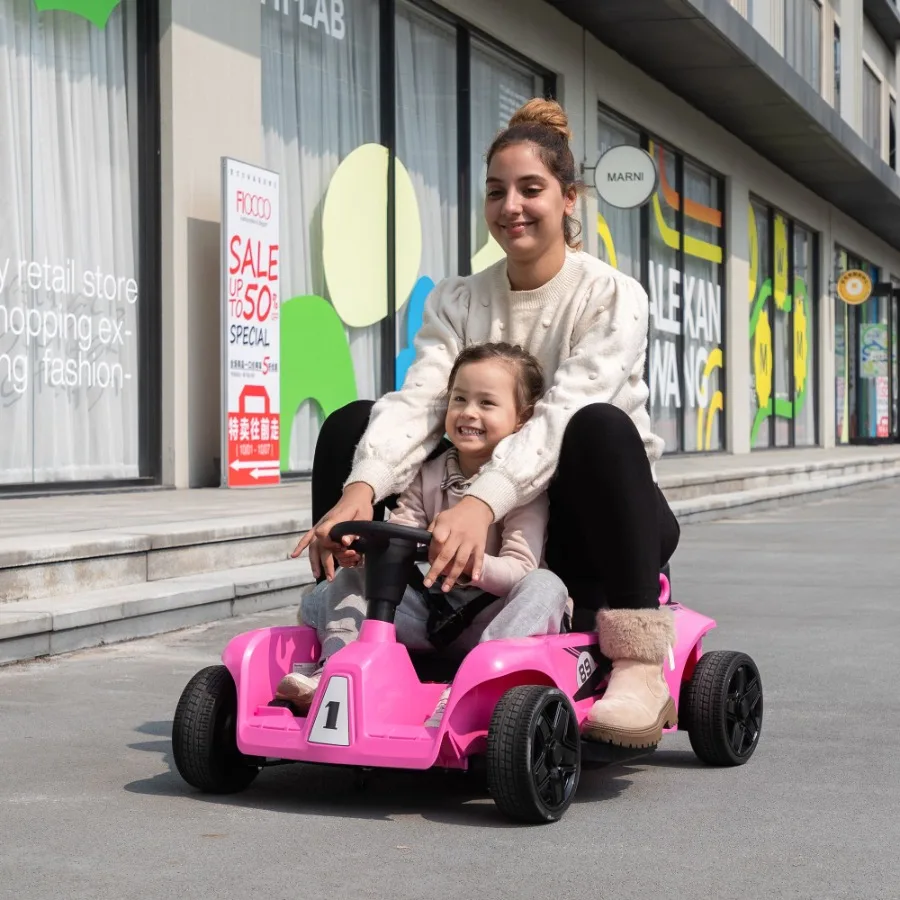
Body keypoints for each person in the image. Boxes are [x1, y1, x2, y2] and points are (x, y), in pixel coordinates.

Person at [292, 97, 681, 749]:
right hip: (473, 527)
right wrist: (359, 490)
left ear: (569, 198)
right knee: (351, 426)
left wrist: (479, 503)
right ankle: (352, 632)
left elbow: (559, 417)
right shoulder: (459, 298)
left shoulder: (613, 295)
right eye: (496, 192)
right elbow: (421, 401)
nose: (512, 207)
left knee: (597, 426)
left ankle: (638, 664)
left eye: (532, 189)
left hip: (592, 521)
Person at [278, 343, 569, 725]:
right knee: (345, 581)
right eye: (460, 399)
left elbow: (520, 568)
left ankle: (474, 685)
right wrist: (361, 553)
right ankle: (335, 671)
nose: (468, 412)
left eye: (486, 403)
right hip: (429, 613)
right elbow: (398, 533)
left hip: (492, 620)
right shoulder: (427, 472)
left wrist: (471, 565)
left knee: (547, 586)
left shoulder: (525, 489)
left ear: (521, 419)